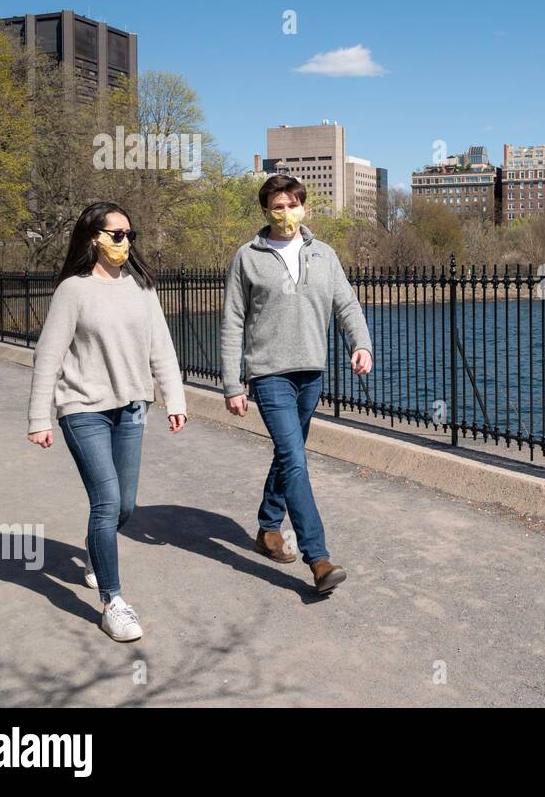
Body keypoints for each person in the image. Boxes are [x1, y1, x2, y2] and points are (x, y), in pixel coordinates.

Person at [26, 202, 187, 642]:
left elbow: (162, 349)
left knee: (126, 506)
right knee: (106, 502)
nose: (124, 243)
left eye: (129, 235)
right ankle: (113, 602)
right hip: (84, 409)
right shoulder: (73, 291)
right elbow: (49, 357)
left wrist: (174, 398)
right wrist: (40, 416)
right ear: (93, 237)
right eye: (116, 235)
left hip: (132, 407)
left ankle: (97, 550)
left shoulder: (141, 286)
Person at [220, 174, 372, 594]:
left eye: (292, 204)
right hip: (268, 373)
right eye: (277, 206)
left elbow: (346, 304)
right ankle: (318, 558)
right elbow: (233, 320)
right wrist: (233, 383)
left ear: (303, 206)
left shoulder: (324, 254)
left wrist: (361, 345)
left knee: (289, 456)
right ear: (266, 210)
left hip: (311, 372)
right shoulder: (247, 257)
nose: (286, 212)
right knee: (295, 458)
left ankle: (268, 528)